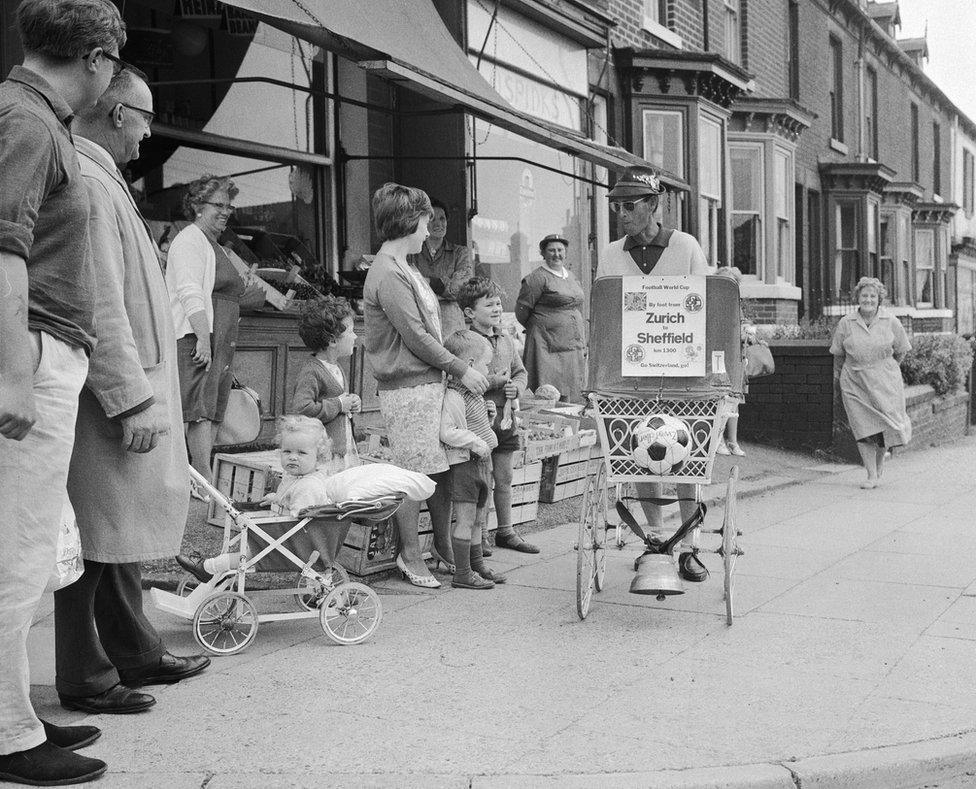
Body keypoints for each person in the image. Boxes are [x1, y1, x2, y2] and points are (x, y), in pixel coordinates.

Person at [53, 67, 210, 722]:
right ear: (117, 113)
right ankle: (88, 674)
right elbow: (99, 303)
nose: (149, 133)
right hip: (111, 394)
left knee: (114, 530)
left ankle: (132, 648)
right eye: (145, 118)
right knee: (98, 534)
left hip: (125, 383)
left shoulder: (97, 176)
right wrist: (128, 397)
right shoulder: (89, 181)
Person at [0, 1, 125, 784]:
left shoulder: (32, 117)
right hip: (31, 355)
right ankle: (7, 735)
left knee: (25, 550)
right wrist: (14, 373)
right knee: (14, 555)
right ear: (98, 55)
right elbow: (2, 252)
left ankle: (13, 708)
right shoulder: (30, 124)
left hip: (41, 352)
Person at [363, 183, 489, 588]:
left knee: (439, 470)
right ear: (408, 221)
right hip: (408, 388)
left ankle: (439, 545)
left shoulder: (404, 266)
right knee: (413, 474)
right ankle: (410, 554)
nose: (430, 227)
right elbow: (416, 335)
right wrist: (461, 368)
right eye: (425, 219)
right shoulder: (389, 272)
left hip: (425, 383)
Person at [598, 166, 710, 584]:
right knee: (640, 452)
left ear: (653, 205)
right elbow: (605, 315)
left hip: (682, 372)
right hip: (632, 374)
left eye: (629, 205)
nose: (621, 214)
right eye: (616, 206)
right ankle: (655, 539)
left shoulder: (685, 247)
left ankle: (688, 547)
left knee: (686, 458)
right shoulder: (611, 254)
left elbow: (705, 306)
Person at [166, 174, 263, 484]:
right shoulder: (190, 240)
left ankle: (200, 476)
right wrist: (203, 339)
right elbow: (189, 291)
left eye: (228, 206)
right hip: (199, 337)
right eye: (218, 205)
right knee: (197, 410)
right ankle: (201, 478)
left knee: (211, 408)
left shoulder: (215, 245)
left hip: (218, 338)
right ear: (197, 206)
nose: (225, 211)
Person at [177, 416, 342, 581]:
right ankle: (210, 568)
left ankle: (208, 568)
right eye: (287, 451)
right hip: (286, 539)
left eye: (301, 453)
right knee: (248, 551)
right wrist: (277, 498)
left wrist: (279, 504)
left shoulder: (309, 486)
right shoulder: (295, 477)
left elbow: (300, 518)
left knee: (248, 554)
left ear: (318, 457)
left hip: (294, 543)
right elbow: (291, 500)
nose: (292, 457)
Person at [458, 277, 539, 555]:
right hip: (479, 423)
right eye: (489, 304)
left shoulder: (505, 339)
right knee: (482, 480)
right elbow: (466, 377)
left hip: (505, 421)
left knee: (504, 478)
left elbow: (520, 372)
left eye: (499, 303)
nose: (496, 308)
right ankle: (479, 538)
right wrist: (494, 381)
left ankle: (506, 531)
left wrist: (515, 387)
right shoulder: (466, 342)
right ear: (470, 312)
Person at [829, 277, 912, 489]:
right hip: (854, 381)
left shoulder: (891, 321)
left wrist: (886, 368)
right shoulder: (846, 323)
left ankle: (879, 464)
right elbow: (838, 354)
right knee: (862, 426)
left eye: (872, 296)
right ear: (858, 297)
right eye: (864, 295)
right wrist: (840, 378)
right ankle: (871, 475)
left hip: (885, 381)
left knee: (884, 424)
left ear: (879, 299)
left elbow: (901, 350)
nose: (868, 299)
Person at [440, 331, 506, 589]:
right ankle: (463, 573)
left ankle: (477, 565)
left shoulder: (473, 394)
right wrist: (477, 442)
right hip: (466, 463)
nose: (488, 371)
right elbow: (448, 431)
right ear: (468, 366)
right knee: (466, 520)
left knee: (479, 518)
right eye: (485, 366)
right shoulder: (455, 395)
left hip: (482, 463)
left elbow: (473, 424)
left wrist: (488, 418)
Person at [290, 295, 363, 474]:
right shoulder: (312, 371)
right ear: (332, 340)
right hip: (323, 458)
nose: (355, 336)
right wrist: (339, 404)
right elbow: (301, 409)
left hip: (339, 450)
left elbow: (336, 400)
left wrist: (351, 403)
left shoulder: (335, 366)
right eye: (350, 332)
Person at [515, 234, 586, 403]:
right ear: (543, 253)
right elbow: (522, 309)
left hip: (571, 342)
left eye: (560, 250)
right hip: (546, 343)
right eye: (551, 250)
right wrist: (539, 326)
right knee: (548, 391)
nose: (556, 254)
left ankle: (568, 424)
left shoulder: (570, 275)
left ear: (565, 252)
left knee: (570, 388)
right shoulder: (537, 278)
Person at [407, 198, 473, 337]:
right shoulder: (412, 253)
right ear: (422, 223)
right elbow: (407, 287)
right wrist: (445, 290)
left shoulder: (460, 253)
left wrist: (430, 282)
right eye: (432, 219)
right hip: (421, 323)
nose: (438, 224)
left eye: (442, 218)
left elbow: (462, 290)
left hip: (451, 326)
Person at [714, 266, 749, 457]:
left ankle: (733, 441)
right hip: (718, 356)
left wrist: (747, 331)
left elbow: (742, 324)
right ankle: (718, 441)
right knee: (721, 398)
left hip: (735, 356)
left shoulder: (736, 305)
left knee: (734, 399)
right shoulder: (712, 303)